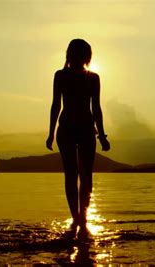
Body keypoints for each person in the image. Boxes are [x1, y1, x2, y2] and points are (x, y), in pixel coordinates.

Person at [46, 39, 110, 237]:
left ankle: (80, 219)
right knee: (79, 176)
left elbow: (96, 108)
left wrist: (102, 135)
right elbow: (56, 104)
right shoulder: (65, 76)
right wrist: (50, 133)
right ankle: (79, 220)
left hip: (79, 129)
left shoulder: (87, 77)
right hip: (73, 129)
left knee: (78, 176)